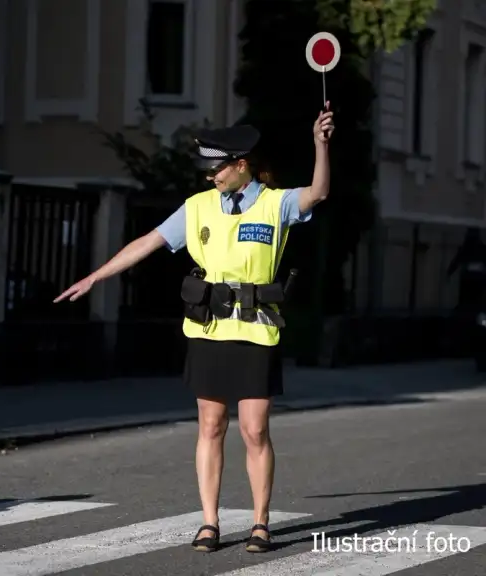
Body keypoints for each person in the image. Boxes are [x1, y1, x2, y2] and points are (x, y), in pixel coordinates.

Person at [54, 105, 334, 553]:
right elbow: (148, 241)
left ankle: (261, 522)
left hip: (256, 328)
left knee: (255, 430)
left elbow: (318, 193)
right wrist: (96, 276)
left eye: (217, 169)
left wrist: (320, 145)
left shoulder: (274, 202)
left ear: (241, 165)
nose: (210, 178)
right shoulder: (198, 207)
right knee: (210, 424)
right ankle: (210, 522)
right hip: (208, 328)